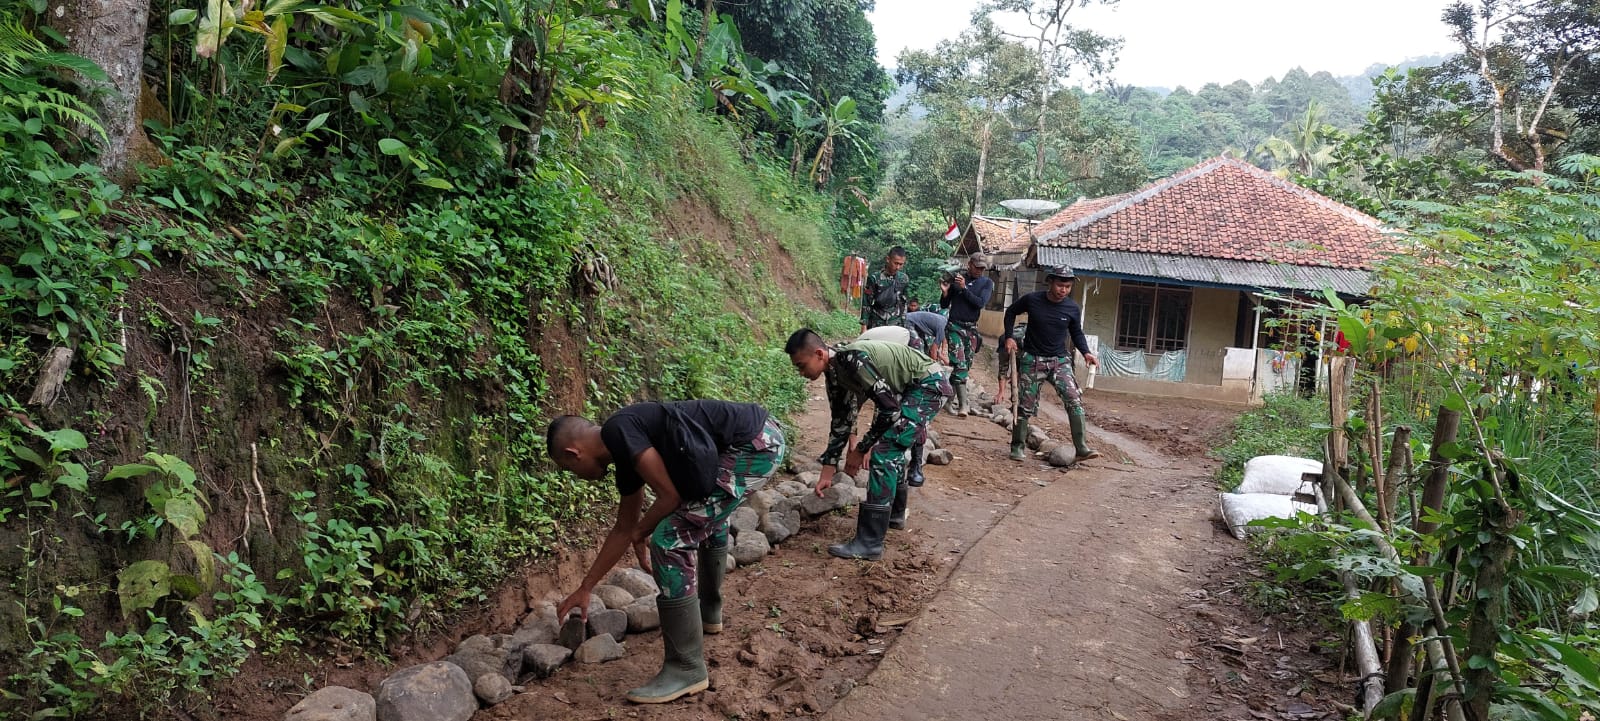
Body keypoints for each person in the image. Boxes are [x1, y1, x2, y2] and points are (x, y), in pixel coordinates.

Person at [546, 400, 785, 704]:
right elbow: (624, 527)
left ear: (573, 453)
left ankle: (686, 668)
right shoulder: (624, 448)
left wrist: (642, 533)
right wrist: (586, 587)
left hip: (755, 444)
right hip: (759, 435)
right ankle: (708, 613)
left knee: (669, 538)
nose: (575, 475)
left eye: (569, 469)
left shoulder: (619, 431)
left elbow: (668, 497)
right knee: (702, 512)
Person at [786, 329, 951, 556]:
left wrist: (862, 447)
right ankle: (894, 516)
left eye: (802, 365)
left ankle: (870, 542)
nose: (801, 372)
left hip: (928, 385)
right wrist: (827, 472)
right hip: (915, 387)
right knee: (891, 448)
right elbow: (841, 422)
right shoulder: (834, 374)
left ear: (819, 354)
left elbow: (889, 409)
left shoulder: (852, 360)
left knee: (885, 451)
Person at [1002, 267, 1101, 463]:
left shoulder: (1072, 308)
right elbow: (1011, 312)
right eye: (1059, 285)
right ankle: (1017, 447)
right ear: (1050, 282)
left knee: (1074, 400)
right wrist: (1009, 337)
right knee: (1024, 405)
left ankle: (1081, 447)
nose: (1063, 290)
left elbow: (1076, 333)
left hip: (1060, 361)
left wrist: (1086, 352)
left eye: (1067, 286)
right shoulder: (1032, 300)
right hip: (1032, 359)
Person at [939, 252, 994, 416]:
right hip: (955, 326)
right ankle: (964, 405)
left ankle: (947, 401)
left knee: (964, 367)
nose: (980, 271)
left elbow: (980, 303)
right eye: (977, 267)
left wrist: (964, 289)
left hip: (972, 329)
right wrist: (945, 293)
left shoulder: (986, 283)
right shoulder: (957, 279)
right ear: (970, 264)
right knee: (960, 364)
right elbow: (944, 304)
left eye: (982, 268)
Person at [860, 247, 910, 332]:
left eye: (901, 264)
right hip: (876, 321)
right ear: (888, 259)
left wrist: (904, 324)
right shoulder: (874, 278)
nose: (898, 267)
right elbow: (866, 303)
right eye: (896, 263)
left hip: (895, 322)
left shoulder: (903, 279)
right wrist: (864, 326)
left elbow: (904, 302)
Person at [995, 321, 1027, 407]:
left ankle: (1020, 400)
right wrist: (1001, 392)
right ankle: (1003, 395)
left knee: (1024, 374)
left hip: (1025, 348)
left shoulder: (1026, 343)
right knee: (1006, 371)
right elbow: (1002, 371)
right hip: (1007, 342)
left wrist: (1016, 375)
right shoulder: (1003, 342)